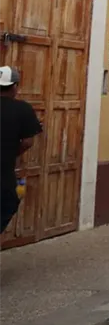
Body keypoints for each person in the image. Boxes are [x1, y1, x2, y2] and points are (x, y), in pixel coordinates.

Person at [0, 67, 41, 236]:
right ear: (15, 86)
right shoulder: (22, 109)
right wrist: (11, 152)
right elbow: (28, 141)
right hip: (3, 174)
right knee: (8, 204)